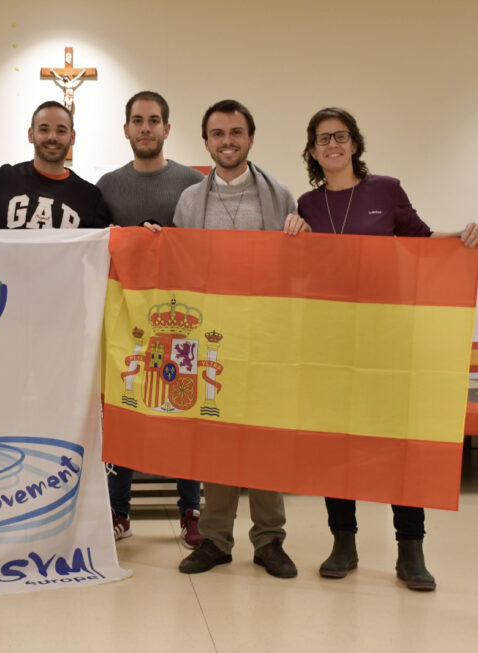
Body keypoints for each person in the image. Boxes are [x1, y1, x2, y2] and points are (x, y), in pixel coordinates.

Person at [292, 106, 478, 591]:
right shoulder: (307, 205)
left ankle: (410, 550)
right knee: (338, 442)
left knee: (400, 442)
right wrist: (293, 239)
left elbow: (422, 241)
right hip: (334, 339)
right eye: (322, 139)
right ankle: (344, 543)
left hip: (388, 337)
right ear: (312, 151)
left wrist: (461, 238)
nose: (332, 145)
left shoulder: (386, 190)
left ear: (355, 143)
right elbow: (302, 272)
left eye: (340, 136)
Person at [173, 99, 306, 578]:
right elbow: (179, 266)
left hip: (266, 335)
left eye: (235, 133)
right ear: (206, 141)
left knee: (264, 440)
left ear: (250, 138)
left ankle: (270, 540)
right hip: (213, 337)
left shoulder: (280, 197)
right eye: (218, 134)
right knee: (217, 439)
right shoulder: (190, 201)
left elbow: (298, 269)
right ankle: (215, 539)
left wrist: (304, 235)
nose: (227, 141)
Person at [96, 91, 207, 548]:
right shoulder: (107, 185)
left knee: (184, 411)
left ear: (167, 128)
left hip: (181, 318)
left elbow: (205, 246)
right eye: (138, 120)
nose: (146, 128)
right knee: (123, 412)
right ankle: (118, 511)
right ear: (126, 128)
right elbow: (95, 245)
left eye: (154, 120)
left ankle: (191, 510)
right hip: (125, 320)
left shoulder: (192, 183)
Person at [0, 101, 111, 230]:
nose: (52, 137)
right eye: (44, 129)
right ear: (31, 134)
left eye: (61, 131)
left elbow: (103, 245)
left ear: (72, 137)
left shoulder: (90, 197)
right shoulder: (2, 179)